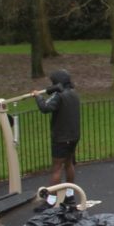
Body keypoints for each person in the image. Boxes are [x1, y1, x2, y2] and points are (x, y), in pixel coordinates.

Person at [32, 69, 81, 211]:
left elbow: (45, 108)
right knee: (69, 163)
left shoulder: (59, 95)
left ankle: (51, 200)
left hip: (61, 137)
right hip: (74, 136)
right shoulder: (74, 94)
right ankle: (70, 195)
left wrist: (37, 96)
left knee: (56, 168)